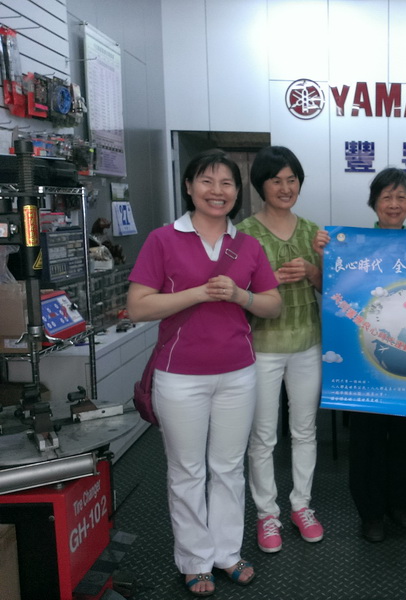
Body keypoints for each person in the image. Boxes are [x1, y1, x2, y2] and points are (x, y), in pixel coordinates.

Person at [127, 149, 282, 597]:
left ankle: (227, 553)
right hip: (179, 376)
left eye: (227, 183)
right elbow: (138, 306)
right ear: (189, 186)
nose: (218, 191)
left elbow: (272, 304)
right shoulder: (163, 239)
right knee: (187, 470)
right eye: (207, 181)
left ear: (237, 191)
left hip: (238, 373)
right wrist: (198, 293)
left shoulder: (248, 245)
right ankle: (195, 560)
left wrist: (240, 296)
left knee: (229, 467)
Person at [314, 167, 406, 543]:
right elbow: (337, 291)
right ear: (374, 202)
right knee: (367, 439)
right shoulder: (353, 248)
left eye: (401, 197)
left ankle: (401, 504)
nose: (394, 204)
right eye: (386, 196)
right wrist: (325, 256)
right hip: (366, 362)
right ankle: (371, 512)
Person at [236, 146, 325, 553]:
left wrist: (313, 270)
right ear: (261, 185)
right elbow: (235, 292)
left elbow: (332, 288)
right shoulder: (244, 233)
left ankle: (301, 505)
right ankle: (266, 513)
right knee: (263, 435)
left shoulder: (312, 231)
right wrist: (269, 279)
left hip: (308, 343)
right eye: (276, 180)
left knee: (305, 430)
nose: (286, 188)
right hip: (262, 346)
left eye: (292, 180)